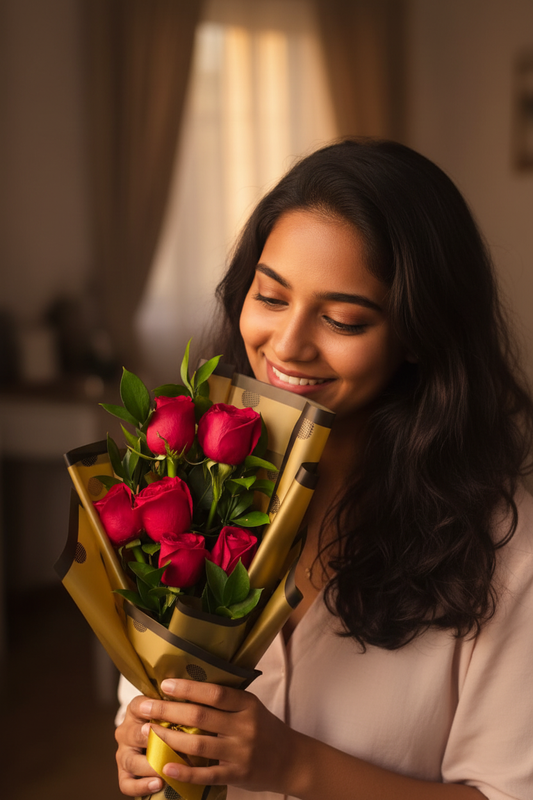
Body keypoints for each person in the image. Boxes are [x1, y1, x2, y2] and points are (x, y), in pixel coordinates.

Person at [115, 139, 533, 799]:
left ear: (419, 334)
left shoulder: (506, 548)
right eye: (270, 297)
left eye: (342, 320)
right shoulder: (182, 485)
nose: (287, 346)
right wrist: (139, 739)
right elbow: (147, 693)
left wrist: (294, 766)